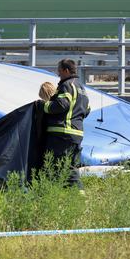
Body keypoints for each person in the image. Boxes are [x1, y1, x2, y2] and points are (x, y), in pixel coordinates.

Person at [41, 59, 90, 188]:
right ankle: (69, 196)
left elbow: (61, 105)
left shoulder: (67, 85)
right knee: (69, 167)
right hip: (76, 134)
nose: (58, 74)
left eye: (60, 71)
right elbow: (87, 110)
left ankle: (76, 196)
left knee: (54, 166)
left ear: (66, 71)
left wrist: (44, 106)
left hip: (62, 134)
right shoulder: (81, 88)